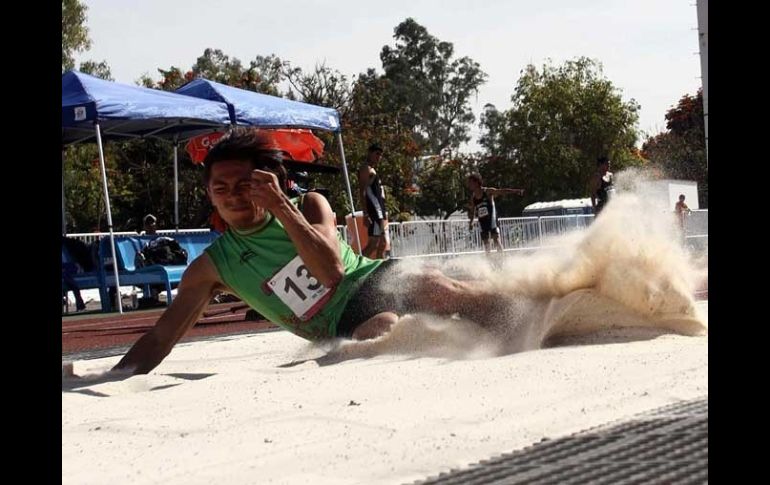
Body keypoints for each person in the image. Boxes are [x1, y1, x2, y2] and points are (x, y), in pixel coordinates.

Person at [103, 128, 509, 376]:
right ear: (209, 194)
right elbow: (161, 337)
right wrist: (113, 376)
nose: (232, 197)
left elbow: (331, 272)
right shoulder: (212, 267)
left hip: (369, 279)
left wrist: (281, 206)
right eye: (220, 189)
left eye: (244, 185)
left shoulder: (311, 204)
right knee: (384, 331)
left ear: (268, 181)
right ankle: (470, 334)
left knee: (436, 288)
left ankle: (524, 312)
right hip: (341, 321)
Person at [467, 173, 525, 255]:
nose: (469, 185)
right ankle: (490, 264)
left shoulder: (487, 191)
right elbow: (472, 210)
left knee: (496, 240)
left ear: (476, 182)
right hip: (482, 221)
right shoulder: (473, 197)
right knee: (486, 245)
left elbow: (501, 191)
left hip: (492, 219)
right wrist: (471, 222)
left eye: (470, 182)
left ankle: (502, 259)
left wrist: (515, 191)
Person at [358, 143, 389, 259]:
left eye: (380, 155)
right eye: (376, 154)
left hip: (379, 210)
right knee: (374, 244)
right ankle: (356, 267)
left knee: (382, 243)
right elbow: (362, 191)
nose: (378, 157)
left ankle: (380, 272)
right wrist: (366, 213)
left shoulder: (373, 169)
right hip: (374, 211)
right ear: (369, 153)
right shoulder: (366, 169)